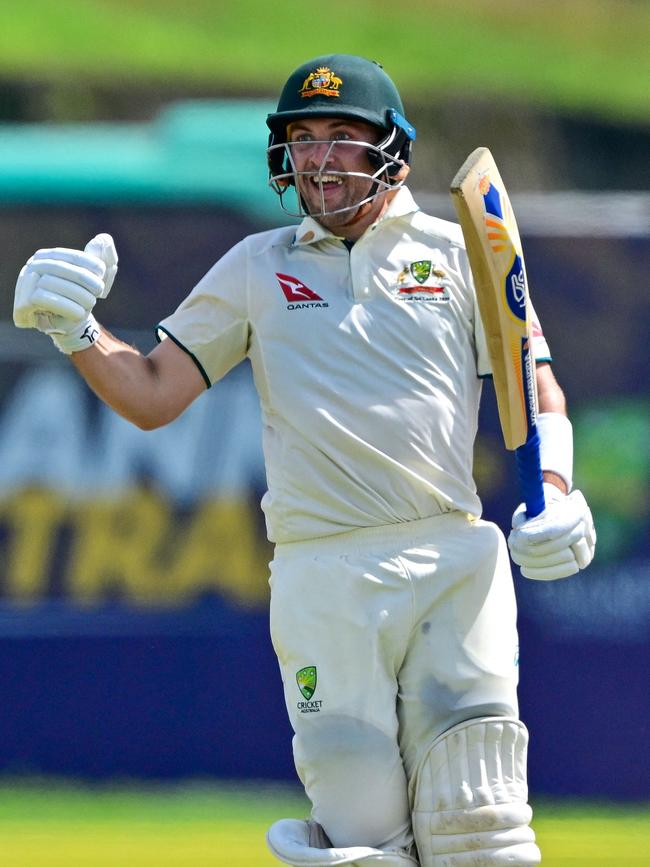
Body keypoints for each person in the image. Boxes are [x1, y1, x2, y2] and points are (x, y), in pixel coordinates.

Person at [13, 54, 595, 867]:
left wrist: (560, 492)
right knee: (362, 833)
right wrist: (75, 330)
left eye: (342, 137)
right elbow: (151, 393)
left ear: (391, 147)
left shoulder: (461, 252)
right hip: (322, 570)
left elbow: (540, 396)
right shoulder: (259, 266)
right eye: (304, 139)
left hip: (451, 557)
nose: (320, 158)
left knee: (481, 825)